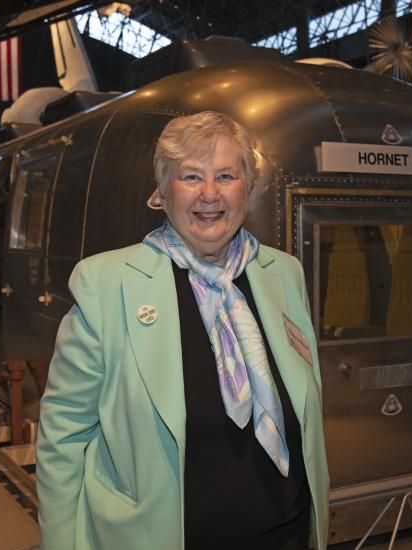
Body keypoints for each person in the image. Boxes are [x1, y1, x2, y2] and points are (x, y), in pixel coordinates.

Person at [36, 111, 329, 550]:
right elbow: (63, 433)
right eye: (190, 176)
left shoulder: (283, 274)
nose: (209, 194)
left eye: (226, 175)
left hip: (284, 533)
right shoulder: (107, 283)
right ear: (162, 191)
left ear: (247, 188)